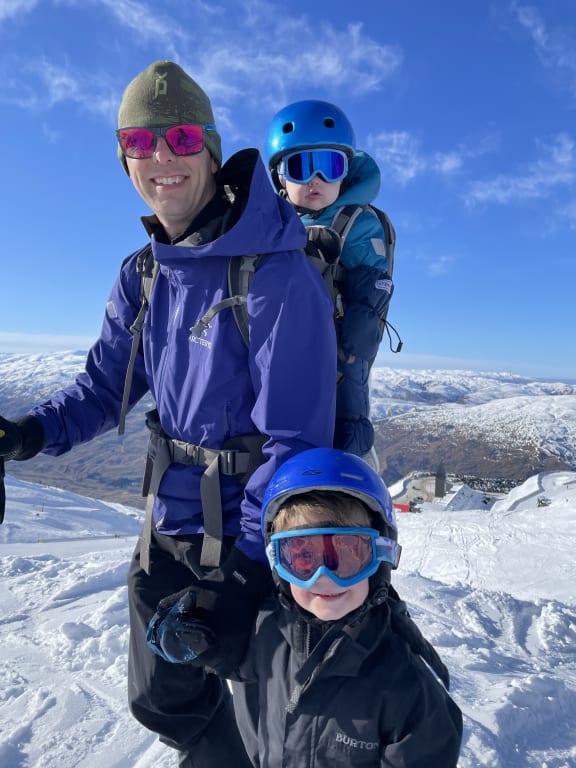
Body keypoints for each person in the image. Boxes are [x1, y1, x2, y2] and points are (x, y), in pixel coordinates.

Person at [0, 61, 337, 767]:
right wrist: (29, 433)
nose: (161, 157)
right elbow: (106, 389)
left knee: (272, 723)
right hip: (168, 527)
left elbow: (295, 440)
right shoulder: (143, 274)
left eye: (181, 137)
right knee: (161, 697)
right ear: (123, 158)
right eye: (139, 141)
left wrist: (246, 573)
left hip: (252, 537)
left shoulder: (275, 273)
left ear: (209, 150)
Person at [148, 448, 463, 767]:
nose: (324, 577)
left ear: (381, 557)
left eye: (348, 554)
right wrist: (185, 639)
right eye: (303, 558)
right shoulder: (266, 630)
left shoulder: (408, 687)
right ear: (277, 564)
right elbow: (227, 658)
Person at [265, 100, 395, 459]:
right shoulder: (270, 227)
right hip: (279, 358)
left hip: (336, 358)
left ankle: (349, 456)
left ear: (345, 173)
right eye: (301, 167)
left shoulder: (358, 224)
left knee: (345, 413)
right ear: (280, 177)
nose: (316, 180)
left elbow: (368, 301)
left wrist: (354, 335)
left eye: (329, 166)